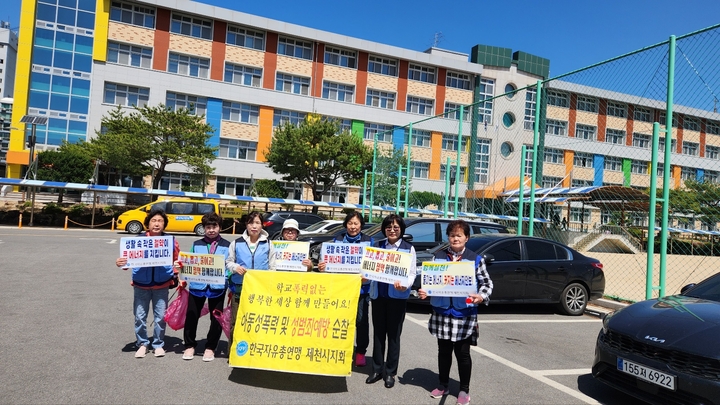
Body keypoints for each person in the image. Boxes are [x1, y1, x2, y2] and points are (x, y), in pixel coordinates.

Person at [418, 220, 493, 405]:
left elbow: (487, 283)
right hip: (442, 312)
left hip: (464, 313)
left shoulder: (475, 259)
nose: (455, 238)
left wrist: (481, 296)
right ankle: (443, 384)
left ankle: (464, 390)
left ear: (466, 238)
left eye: (459, 235)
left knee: (463, 353)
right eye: (452, 235)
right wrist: (425, 292)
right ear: (448, 238)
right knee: (443, 351)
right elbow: (431, 282)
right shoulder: (438, 257)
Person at [115, 208, 181, 359]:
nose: (157, 224)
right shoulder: (137, 240)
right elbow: (126, 262)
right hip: (141, 284)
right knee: (139, 316)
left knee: (160, 317)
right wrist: (120, 263)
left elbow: (177, 260)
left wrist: (177, 270)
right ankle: (142, 343)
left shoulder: (170, 241)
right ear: (148, 224)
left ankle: (158, 344)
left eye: (160, 221)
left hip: (162, 284)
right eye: (153, 221)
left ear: (164, 224)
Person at [365, 214, 416, 389]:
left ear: (401, 229)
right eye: (388, 227)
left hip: (397, 298)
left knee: (394, 336)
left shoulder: (408, 248)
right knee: (378, 334)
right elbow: (368, 268)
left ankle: (390, 372)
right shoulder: (377, 246)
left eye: (395, 227)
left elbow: (412, 273)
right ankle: (377, 369)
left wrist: (405, 285)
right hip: (378, 296)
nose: (392, 230)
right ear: (384, 229)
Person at [317, 212, 372, 367]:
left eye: (356, 223)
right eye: (350, 223)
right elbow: (328, 262)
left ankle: (360, 352)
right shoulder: (337, 240)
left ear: (361, 225)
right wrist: (323, 267)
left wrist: (368, 276)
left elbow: (373, 264)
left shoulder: (368, 241)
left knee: (361, 321)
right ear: (346, 224)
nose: (353, 227)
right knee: (339, 320)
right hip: (341, 289)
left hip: (361, 289)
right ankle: (338, 349)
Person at [182, 212, 230, 362]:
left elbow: (230, 265)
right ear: (204, 228)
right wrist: (181, 269)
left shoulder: (227, 245)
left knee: (216, 318)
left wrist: (226, 278)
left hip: (217, 287)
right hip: (197, 286)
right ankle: (190, 345)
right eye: (208, 227)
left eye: (214, 226)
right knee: (192, 315)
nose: (211, 230)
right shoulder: (197, 244)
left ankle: (210, 347)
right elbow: (188, 263)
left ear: (220, 227)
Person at [225, 211, 276, 353]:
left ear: (262, 225)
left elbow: (273, 267)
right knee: (236, 321)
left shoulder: (269, 244)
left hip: (260, 290)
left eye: (257, 223)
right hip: (239, 288)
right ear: (246, 225)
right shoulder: (236, 243)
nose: (254, 226)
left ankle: (254, 352)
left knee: (258, 321)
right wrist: (235, 267)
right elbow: (229, 262)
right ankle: (233, 352)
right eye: (251, 223)